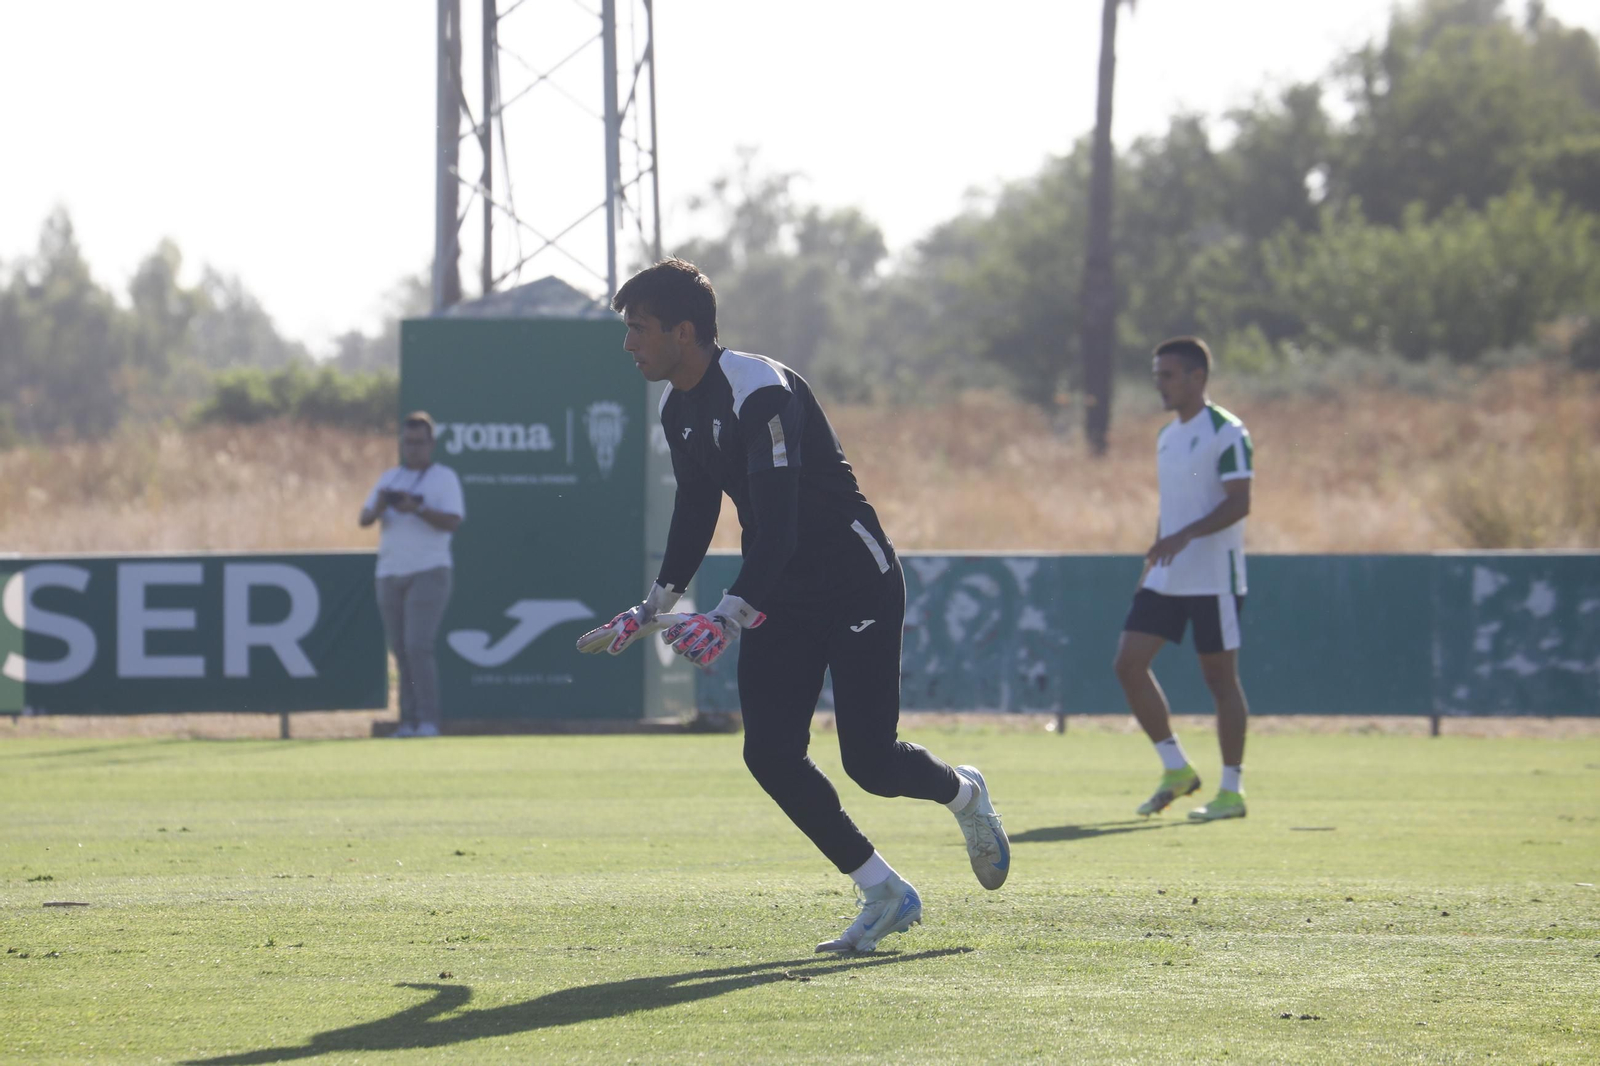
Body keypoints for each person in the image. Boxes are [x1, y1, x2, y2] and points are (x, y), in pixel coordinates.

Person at [577, 258, 1009, 953]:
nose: (629, 344)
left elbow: (778, 526)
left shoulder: (762, 391)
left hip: (853, 579)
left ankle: (964, 795)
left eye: (639, 329)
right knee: (771, 753)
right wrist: (655, 603)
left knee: (869, 762)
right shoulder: (675, 404)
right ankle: (884, 890)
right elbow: (696, 508)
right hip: (781, 589)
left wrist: (731, 610)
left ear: (684, 332)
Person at [1114, 336, 1254, 821]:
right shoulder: (1166, 435)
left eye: (1169, 375)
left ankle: (1231, 791)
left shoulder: (1227, 431)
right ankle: (1176, 767)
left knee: (1220, 681)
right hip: (1168, 574)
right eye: (1157, 375)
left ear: (1198, 377)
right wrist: (1152, 559)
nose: (1160, 384)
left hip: (1214, 576)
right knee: (1128, 664)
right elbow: (1171, 506)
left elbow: (1240, 502)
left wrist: (1186, 536)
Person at [360, 411, 465, 738]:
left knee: (418, 645)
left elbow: (452, 521)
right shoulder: (390, 479)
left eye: (420, 442)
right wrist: (382, 504)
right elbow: (363, 519)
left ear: (431, 443)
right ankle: (407, 721)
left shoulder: (443, 478)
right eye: (408, 443)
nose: (414, 449)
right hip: (390, 572)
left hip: (429, 570)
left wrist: (416, 508)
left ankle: (428, 720)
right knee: (400, 651)